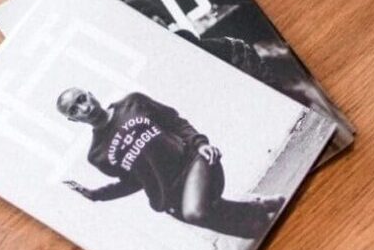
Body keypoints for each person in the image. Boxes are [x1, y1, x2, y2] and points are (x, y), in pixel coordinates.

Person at [57, 88, 284, 239]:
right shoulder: (97, 155)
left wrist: (200, 142)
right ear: (73, 119)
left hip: (193, 162)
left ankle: (259, 208)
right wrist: (96, 195)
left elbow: (174, 121)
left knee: (195, 212)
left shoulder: (133, 102)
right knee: (255, 231)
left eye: (81, 99)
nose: (84, 108)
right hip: (170, 195)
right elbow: (133, 182)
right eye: (74, 110)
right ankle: (261, 211)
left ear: (90, 94)